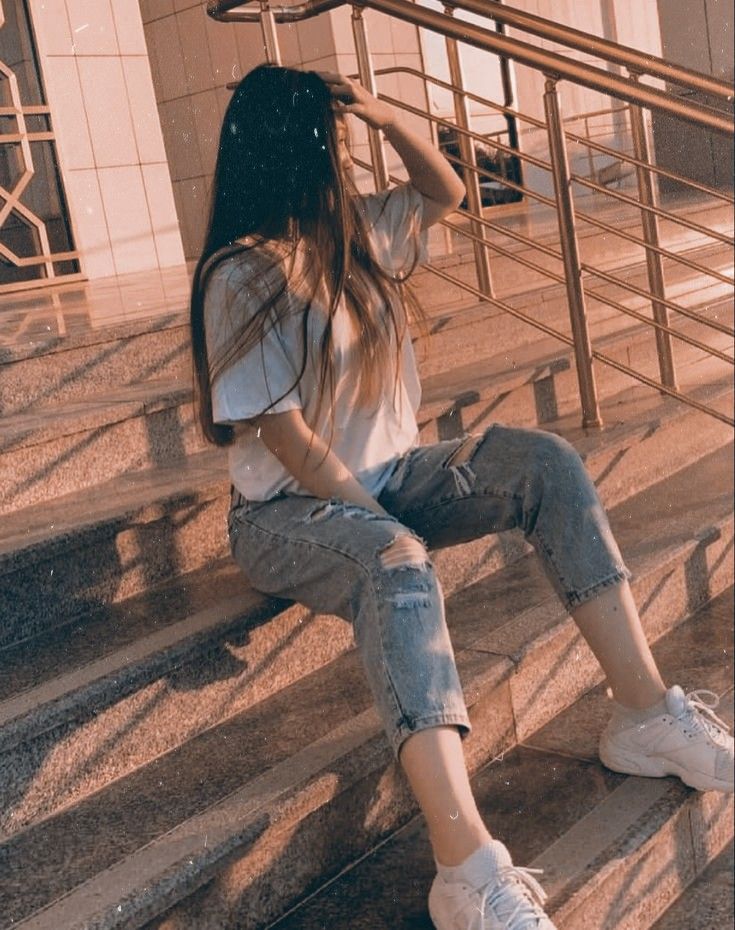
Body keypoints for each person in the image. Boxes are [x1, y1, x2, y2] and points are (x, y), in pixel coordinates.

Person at [190, 63, 733, 930]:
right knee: (395, 561)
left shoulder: (358, 234)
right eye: (330, 141)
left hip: (389, 474)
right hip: (284, 513)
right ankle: (465, 871)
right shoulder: (241, 273)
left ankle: (642, 715)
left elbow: (445, 188)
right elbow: (289, 442)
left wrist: (380, 110)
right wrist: (380, 526)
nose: (342, 156)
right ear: (289, 155)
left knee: (543, 462)